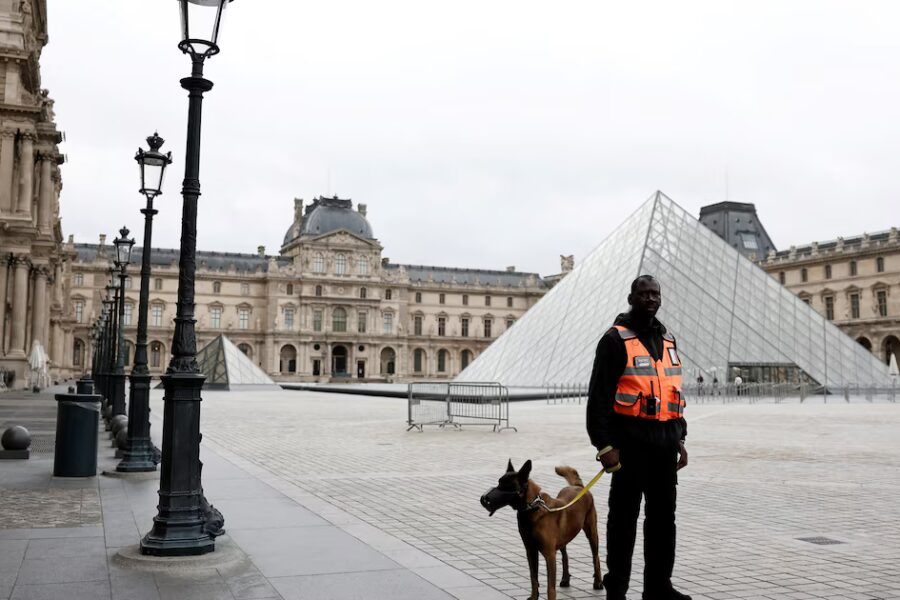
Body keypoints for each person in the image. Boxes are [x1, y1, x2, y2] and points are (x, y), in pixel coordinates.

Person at [586, 275, 690, 600]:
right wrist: (605, 446)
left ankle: (659, 587)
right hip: (628, 447)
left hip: (663, 448)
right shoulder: (614, 340)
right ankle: (616, 588)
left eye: (654, 293)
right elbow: (599, 398)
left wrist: (680, 438)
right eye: (643, 293)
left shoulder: (668, 338)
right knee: (623, 521)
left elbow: (672, 392)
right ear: (631, 297)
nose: (650, 299)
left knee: (663, 521)